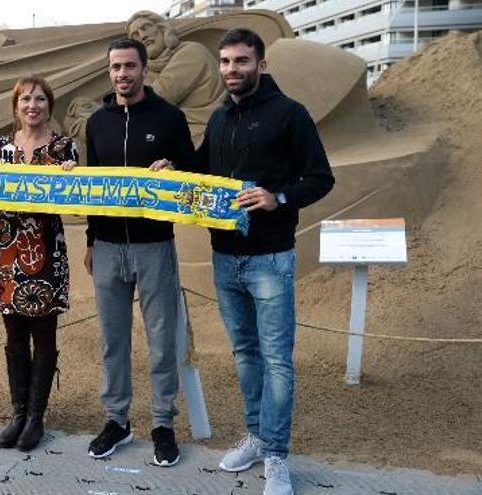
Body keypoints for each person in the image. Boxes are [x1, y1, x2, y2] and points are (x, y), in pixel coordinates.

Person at [195, 29, 334, 495]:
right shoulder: (218, 120)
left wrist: (280, 197)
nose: (232, 70)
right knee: (245, 355)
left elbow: (320, 177)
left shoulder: (290, 114)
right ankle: (255, 436)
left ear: (261, 64)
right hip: (224, 257)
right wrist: (170, 171)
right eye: (226, 62)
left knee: (277, 360)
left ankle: (276, 456)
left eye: (241, 61)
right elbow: (200, 174)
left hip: (271, 259)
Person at [77, 38, 197, 467]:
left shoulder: (169, 118)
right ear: (108, 71)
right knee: (113, 341)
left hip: (154, 247)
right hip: (108, 248)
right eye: (115, 67)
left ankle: (163, 423)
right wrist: (91, 241)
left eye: (129, 66)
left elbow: (193, 175)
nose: (122, 74)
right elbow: (93, 189)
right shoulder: (97, 123)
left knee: (162, 341)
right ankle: (117, 420)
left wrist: (176, 171)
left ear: (144, 69)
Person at [0, 76, 78, 452]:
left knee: (44, 337)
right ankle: (18, 413)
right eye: (26, 99)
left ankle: (36, 416)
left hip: (46, 253)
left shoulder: (64, 149)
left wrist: (69, 181)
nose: (33, 105)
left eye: (40, 99)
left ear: (50, 105)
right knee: (14, 336)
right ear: (16, 107)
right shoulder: (1, 148)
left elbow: (74, 203)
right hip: (8, 252)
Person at [126, 10, 225, 145]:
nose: (142, 36)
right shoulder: (148, 69)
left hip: (204, 133)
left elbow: (159, 96)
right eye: (135, 35)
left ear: (162, 28)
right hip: (174, 136)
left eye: (146, 27)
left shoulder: (193, 52)